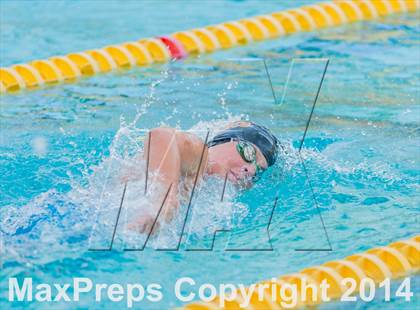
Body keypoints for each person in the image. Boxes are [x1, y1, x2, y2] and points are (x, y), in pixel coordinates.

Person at [130, 120, 279, 233]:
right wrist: (166, 198)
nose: (251, 170)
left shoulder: (207, 192)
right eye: (249, 153)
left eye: (258, 172)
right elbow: (161, 135)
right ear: (225, 140)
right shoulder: (201, 156)